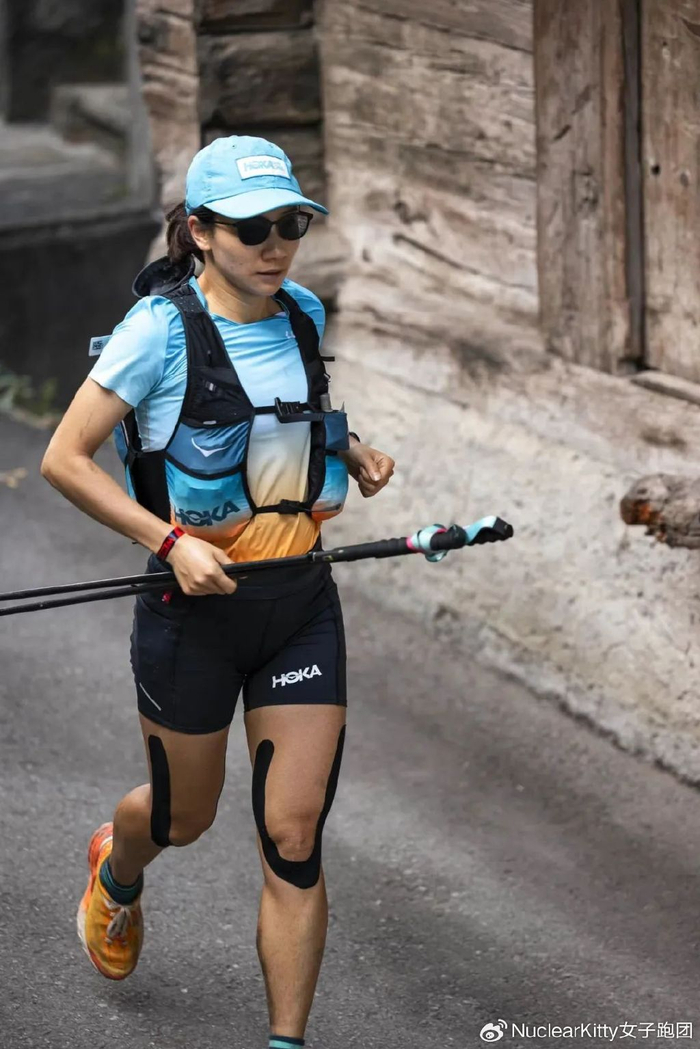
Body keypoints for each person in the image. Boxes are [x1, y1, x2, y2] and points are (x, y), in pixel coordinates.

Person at [40, 134, 395, 1048]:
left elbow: (292, 416)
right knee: (181, 817)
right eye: (251, 228)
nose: (276, 244)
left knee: (295, 831)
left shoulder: (303, 312)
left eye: (291, 224)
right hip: (189, 613)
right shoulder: (157, 331)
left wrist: (350, 451)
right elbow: (63, 460)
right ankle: (117, 869)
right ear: (199, 230)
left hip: (299, 606)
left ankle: (285, 1041)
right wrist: (168, 540)